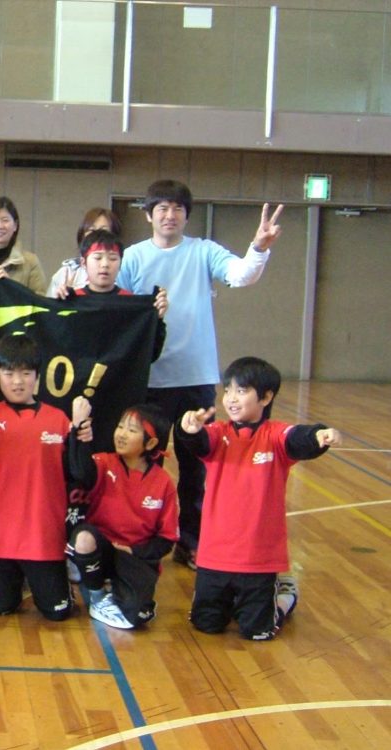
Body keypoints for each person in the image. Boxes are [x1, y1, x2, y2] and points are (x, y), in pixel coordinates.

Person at [117, 179, 283, 570]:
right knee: (146, 465)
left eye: (177, 208)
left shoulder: (203, 251)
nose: (169, 215)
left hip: (195, 379)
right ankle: (144, 537)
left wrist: (259, 247)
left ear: (186, 215)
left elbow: (241, 275)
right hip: (149, 380)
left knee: (195, 468)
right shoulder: (133, 257)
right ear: (148, 215)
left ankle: (191, 542)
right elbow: (115, 306)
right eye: (162, 208)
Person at [177, 356, 340, 640]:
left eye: (241, 391)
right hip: (215, 555)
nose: (231, 398)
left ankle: (285, 597)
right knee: (205, 624)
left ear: (266, 397)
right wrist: (188, 430)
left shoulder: (275, 435)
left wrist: (319, 435)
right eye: (228, 390)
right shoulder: (218, 433)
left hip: (258, 557)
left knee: (258, 632)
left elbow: (297, 438)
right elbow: (200, 443)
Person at [0, 333, 93, 621]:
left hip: (44, 535)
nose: (17, 382)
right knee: (1, 606)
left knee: (58, 613)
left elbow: (81, 474)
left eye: (26, 373)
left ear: (37, 376)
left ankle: (58, 585)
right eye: (9, 373)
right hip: (0, 536)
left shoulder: (59, 419)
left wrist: (80, 435)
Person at [66, 404, 179, 630]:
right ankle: (97, 596)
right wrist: (79, 432)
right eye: (120, 427)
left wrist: (134, 551)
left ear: (151, 443)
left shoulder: (163, 482)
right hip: (103, 549)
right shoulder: (104, 462)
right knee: (84, 538)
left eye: (132, 430)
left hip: (133, 556)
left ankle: (120, 589)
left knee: (137, 616)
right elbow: (81, 472)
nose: (121, 434)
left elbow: (166, 540)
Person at [56, 229, 168, 361]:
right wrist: (57, 306)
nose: (105, 264)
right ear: (83, 263)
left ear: (121, 263)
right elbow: (56, 345)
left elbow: (149, 355)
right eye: (97, 258)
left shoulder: (131, 304)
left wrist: (158, 320)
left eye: (113, 258)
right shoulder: (73, 300)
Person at [46, 207, 122, 298]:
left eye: (103, 231)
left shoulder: (123, 271)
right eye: (92, 231)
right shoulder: (66, 273)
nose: (97, 236)